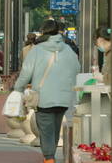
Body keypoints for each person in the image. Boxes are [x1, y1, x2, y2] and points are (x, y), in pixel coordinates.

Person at [14, 20, 80, 163]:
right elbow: (77, 69)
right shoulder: (68, 49)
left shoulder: (36, 50)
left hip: (43, 98)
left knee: (46, 130)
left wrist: (18, 89)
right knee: (55, 129)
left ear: (43, 32)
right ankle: (50, 156)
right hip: (63, 98)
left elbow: (26, 73)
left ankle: (49, 158)